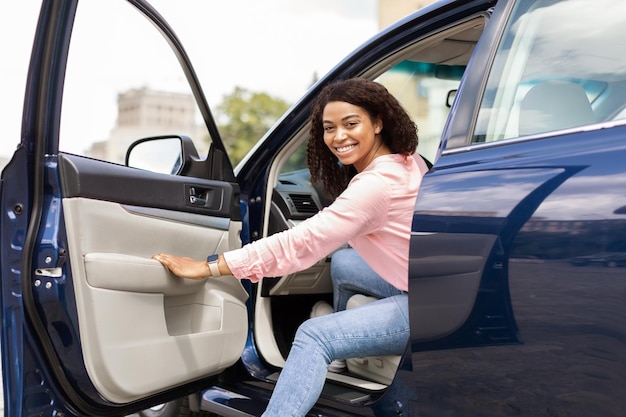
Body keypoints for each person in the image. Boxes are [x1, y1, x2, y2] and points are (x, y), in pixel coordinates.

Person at [153, 78, 429, 417]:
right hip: (423, 280)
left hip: (426, 307)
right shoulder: (408, 160)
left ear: (378, 122)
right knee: (343, 262)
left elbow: (301, 242)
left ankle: (330, 352)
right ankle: (343, 357)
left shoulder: (374, 187)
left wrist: (211, 266)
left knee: (314, 336)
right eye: (330, 128)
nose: (339, 137)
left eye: (351, 124)